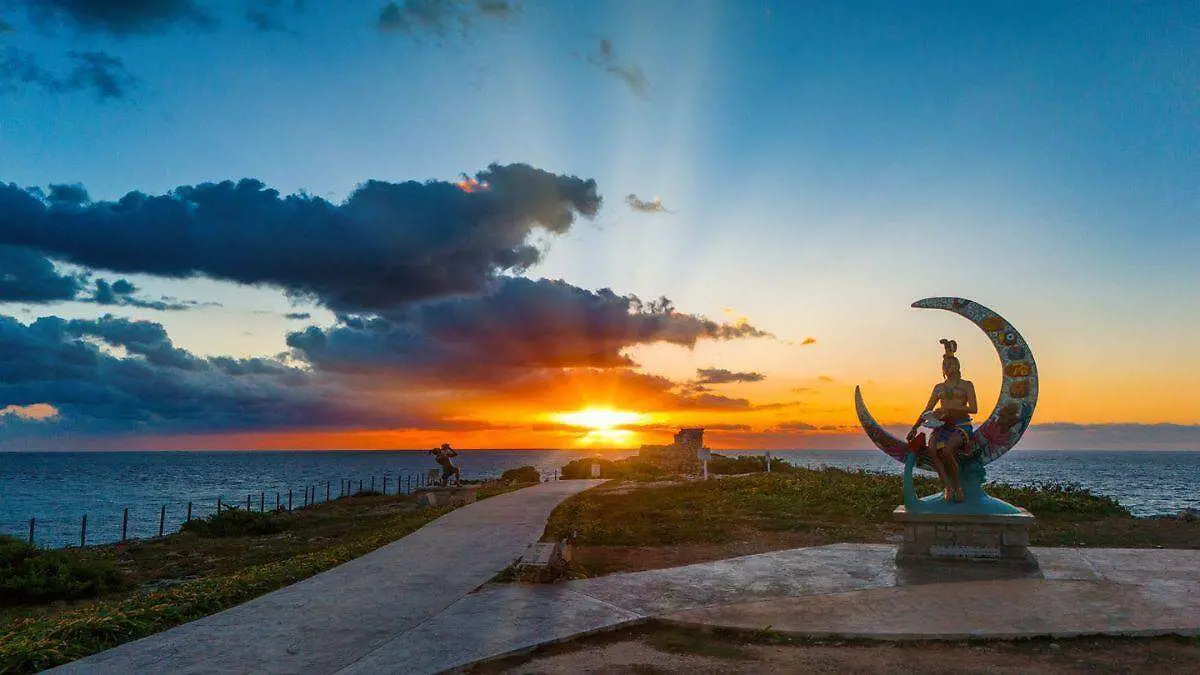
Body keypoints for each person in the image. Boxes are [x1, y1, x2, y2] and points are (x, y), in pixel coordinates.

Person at [907, 339, 978, 503]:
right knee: (932, 451)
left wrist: (952, 410)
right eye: (946, 365)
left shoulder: (967, 385)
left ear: (958, 366)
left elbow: (974, 408)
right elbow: (927, 409)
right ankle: (947, 486)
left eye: (952, 365)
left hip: (961, 425)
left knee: (946, 451)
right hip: (942, 426)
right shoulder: (939, 387)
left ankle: (958, 486)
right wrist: (915, 428)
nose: (949, 368)